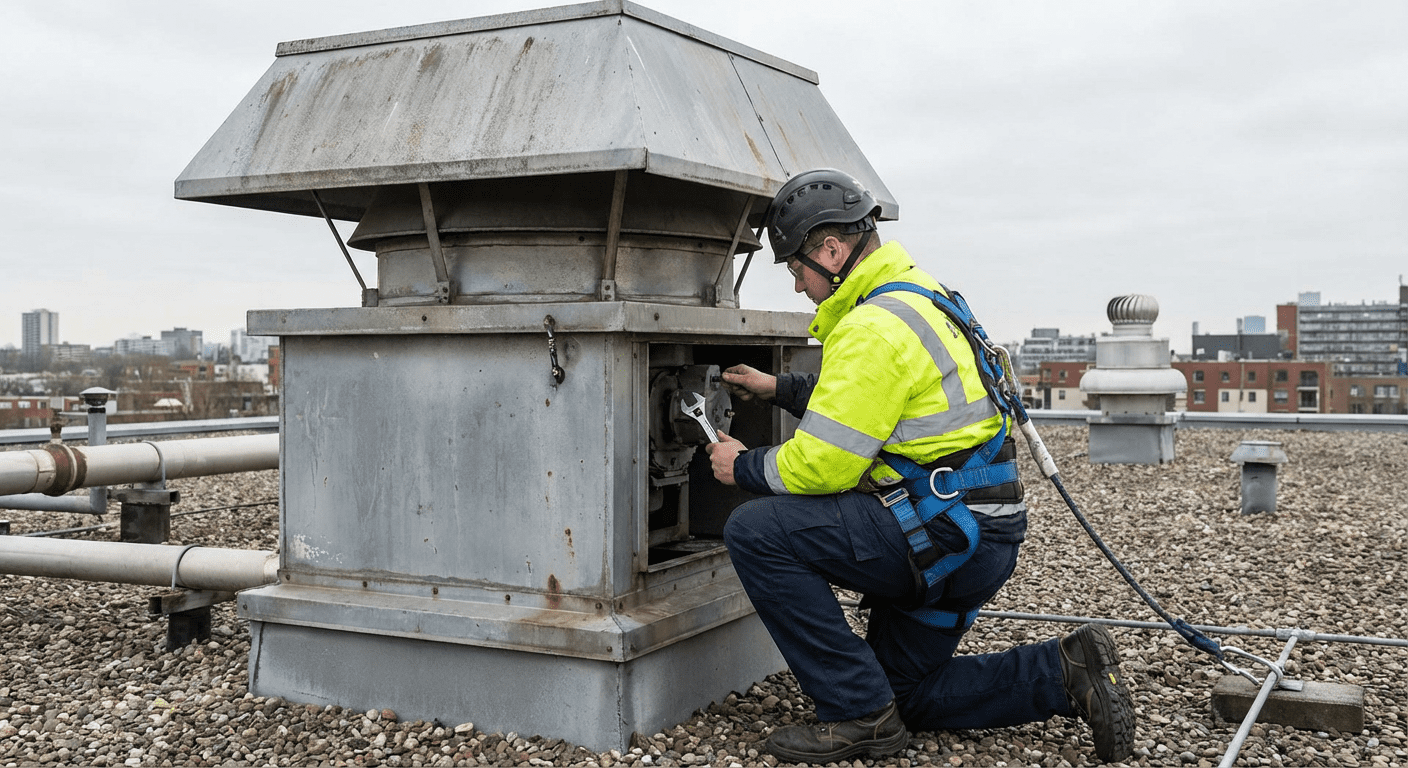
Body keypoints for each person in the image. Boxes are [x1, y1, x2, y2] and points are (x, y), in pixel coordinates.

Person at [704, 168, 1136, 764]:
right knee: (904, 693)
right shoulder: (922, 298)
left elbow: (824, 464)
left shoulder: (872, 328)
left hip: (939, 534)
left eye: (796, 268)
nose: (799, 285)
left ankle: (859, 716)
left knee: (757, 531)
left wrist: (743, 465)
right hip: (982, 534)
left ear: (831, 250)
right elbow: (874, 400)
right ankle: (1066, 671)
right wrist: (780, 387)